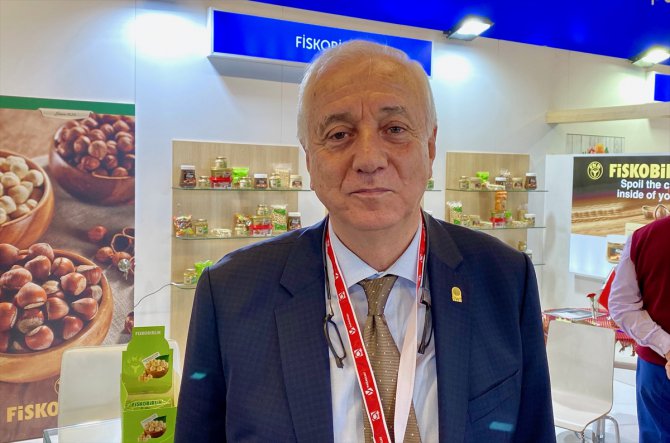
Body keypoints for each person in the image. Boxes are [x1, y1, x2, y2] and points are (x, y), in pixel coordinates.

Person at [175, 40, 554, 442]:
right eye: (339, 134)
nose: (369, 159)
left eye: (395, 129)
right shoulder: (231, 294)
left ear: (430, 147)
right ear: (309, 158)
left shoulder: (504, 280)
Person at [609, 214, 670, 443]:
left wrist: (666, 346)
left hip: (657, 367)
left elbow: (621, 306)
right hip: (658, 370)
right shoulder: (643, 238)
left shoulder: (644, 237)